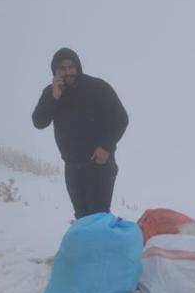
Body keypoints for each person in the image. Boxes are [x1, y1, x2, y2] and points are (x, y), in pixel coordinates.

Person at [32, 47, 129, 219]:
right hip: (72, 166)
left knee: (98, 216)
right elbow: (39, 122)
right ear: (55, 71)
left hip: (99, 165)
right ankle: (89, 246)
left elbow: (120, 119)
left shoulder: (97, 87)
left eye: (71, 67)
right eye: (62, 68)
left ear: (78, 67)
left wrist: (106, 146)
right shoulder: (51, 93)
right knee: (82, 217)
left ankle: (102, 245)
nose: (68, 72)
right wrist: (54, 98)